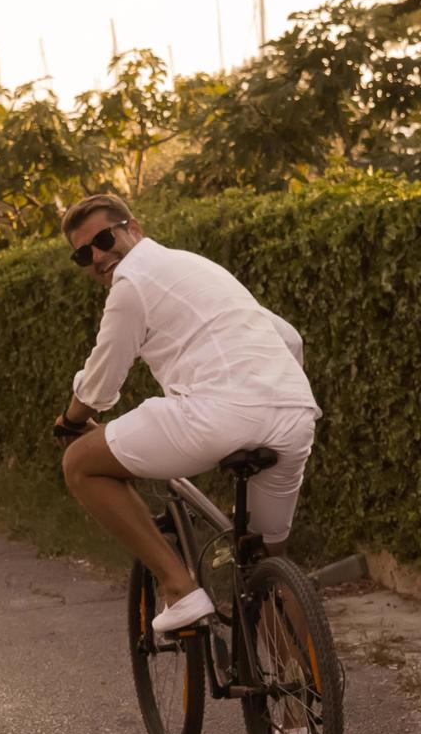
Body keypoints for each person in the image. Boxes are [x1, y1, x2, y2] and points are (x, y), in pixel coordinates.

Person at [53, 194, 319, 634]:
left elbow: (102, 382)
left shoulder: (131, 282)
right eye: (83, 253)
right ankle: (305, 688)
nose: (98, 257)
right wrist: (268, 396)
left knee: (79, 465)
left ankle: (179, 587)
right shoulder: (199, 267)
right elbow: (289, 339)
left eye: (104, 238)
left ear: (132, 228)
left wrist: (73, 421)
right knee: (269, 557)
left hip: (215, 415)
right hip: (293, 415)